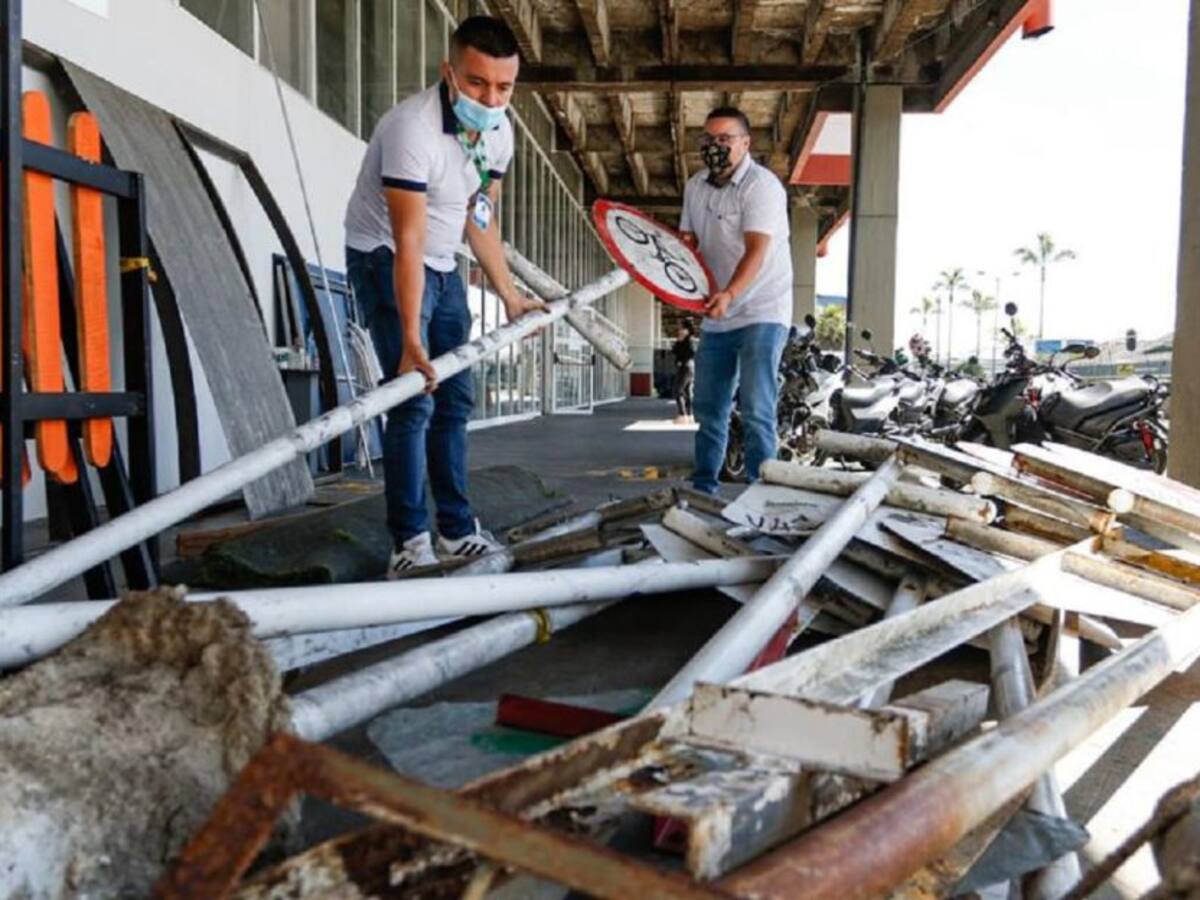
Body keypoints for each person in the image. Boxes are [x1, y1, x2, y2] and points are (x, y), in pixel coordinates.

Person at [344, 15, 544, 577]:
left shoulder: (499, 131)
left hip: (441, 261)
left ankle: (456, 530)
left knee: (455, 398)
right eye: (477, 83)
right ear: (449, 73)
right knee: (412, 399)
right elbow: (406, 238)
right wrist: (411, 337)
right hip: (384, 254)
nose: (491, 97)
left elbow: (479, 218)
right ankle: (408, 543)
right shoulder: (413, 130)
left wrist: (508, 295)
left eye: (503, 87)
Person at [679, 106, 792, 494]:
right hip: (719, 315)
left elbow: (756, 250)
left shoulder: (762, 187)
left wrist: (729, 292)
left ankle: (764, 494)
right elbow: (687, 246)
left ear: (746, 143)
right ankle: (702, 489)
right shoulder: (695, 187)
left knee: (757, 407)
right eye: (708, 140)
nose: (715, 147)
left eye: (725, 139)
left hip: (763, 308)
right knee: (710, 409)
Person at [671, 322, 696, 424]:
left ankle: (682, 415)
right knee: (687, 391)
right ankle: (689, 415)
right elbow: (675, 350)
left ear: (687, 330)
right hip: (690, 367)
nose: (679, 330)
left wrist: (682, 361)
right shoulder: (686, 340)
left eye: (682, 328)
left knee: (678, 390)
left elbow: (690, 352)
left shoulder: (688, 341)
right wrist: (679, 341)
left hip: (685, 367)